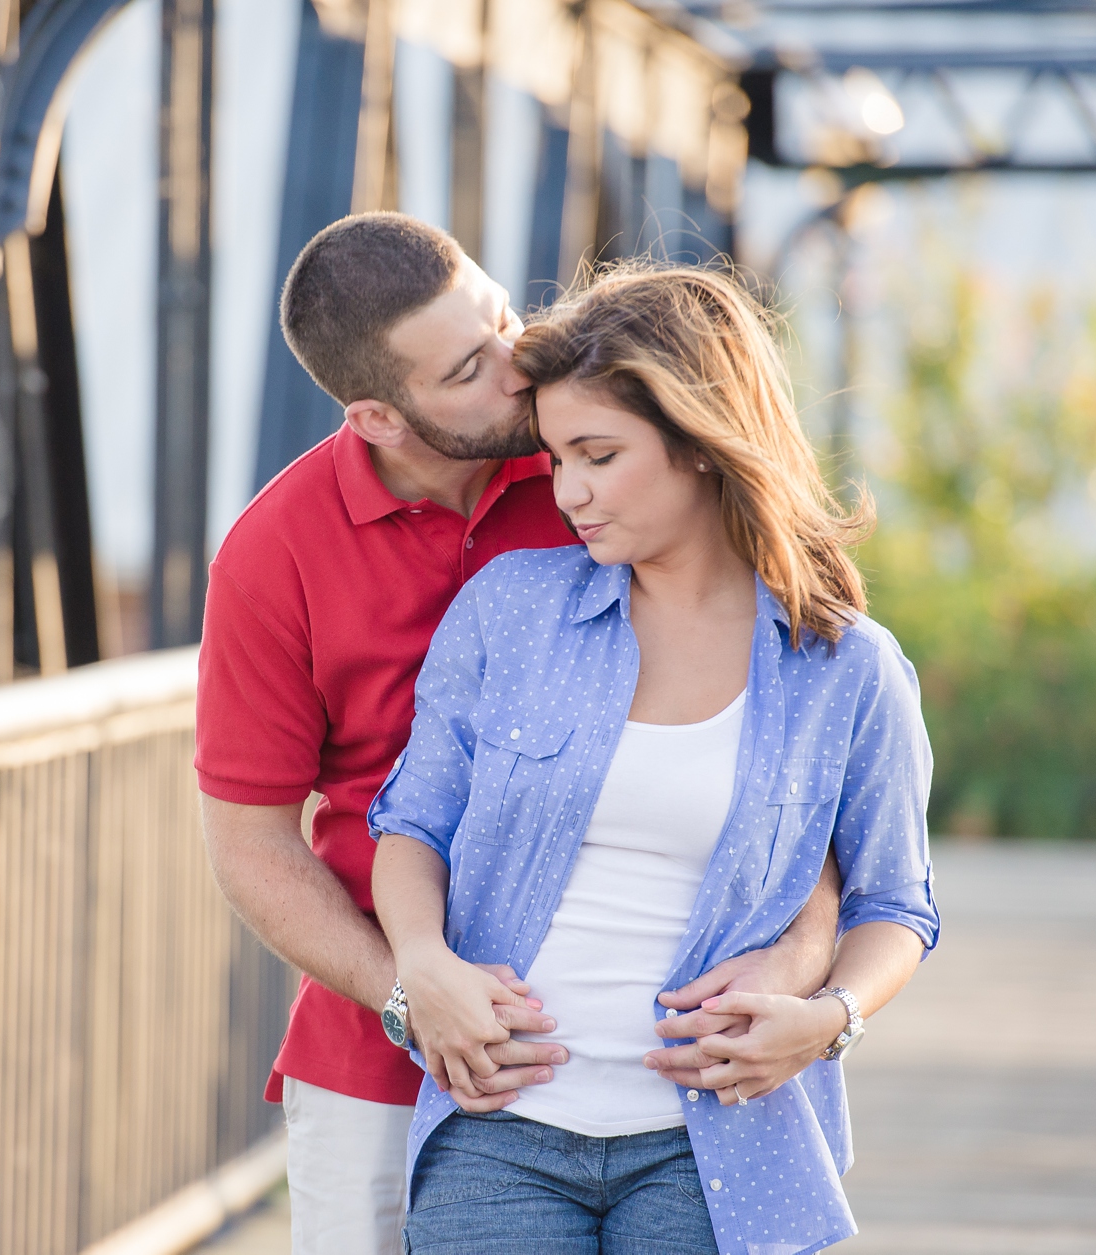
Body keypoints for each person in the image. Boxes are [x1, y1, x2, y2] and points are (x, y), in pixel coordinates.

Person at [195, 215, 846, 1255]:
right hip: (374, 1049)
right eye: (465, 368)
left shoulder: (604, 473)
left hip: (642, 1068)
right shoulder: (272, 556)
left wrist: (797, 960)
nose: (515, 367)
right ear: (375, 415)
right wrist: (410, 992)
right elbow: (249, 843)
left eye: (502, 318)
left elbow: (790, 770)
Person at [368, 262, 939, 1255]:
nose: (569, 492)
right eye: (554, 459)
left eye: (597, 454)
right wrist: (421, 967)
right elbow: (410, 825)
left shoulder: (846, 668)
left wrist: (828, 1018)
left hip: (714, 1141)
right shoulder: (511, 609)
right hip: (498, 1127)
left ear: (701, 440)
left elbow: (894, 903)